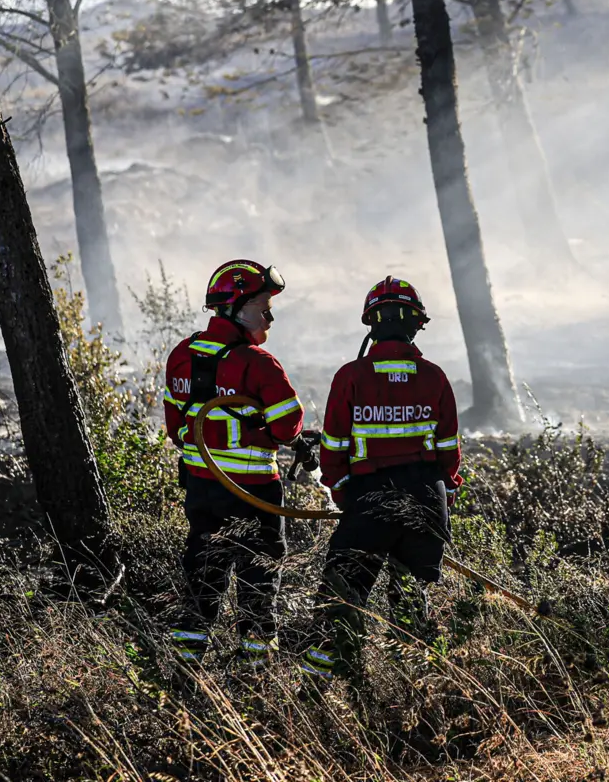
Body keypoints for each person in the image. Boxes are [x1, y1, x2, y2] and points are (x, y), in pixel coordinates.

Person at [300, 276, 463, 681]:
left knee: (341, 602)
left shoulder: (351, 376)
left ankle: (315, 697)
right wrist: (442, 500)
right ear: (417, 325)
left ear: (371, 323)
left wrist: (343, 494)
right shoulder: (435, 377)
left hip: (367, 503)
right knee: (410, 603)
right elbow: (449, 453)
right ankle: (418, 692)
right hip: (427, 501)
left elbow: (334, 447)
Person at [163, 260, 305, 668]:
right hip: (254, 494)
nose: (270, 317)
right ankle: (256, 672)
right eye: (264, 306)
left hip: (202, 490)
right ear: (237, 309)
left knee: (202, 578)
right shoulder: (259, 363)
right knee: (259, 580)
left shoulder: (182, 354)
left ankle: (184, 669)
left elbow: (176, 427)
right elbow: (288, 426)